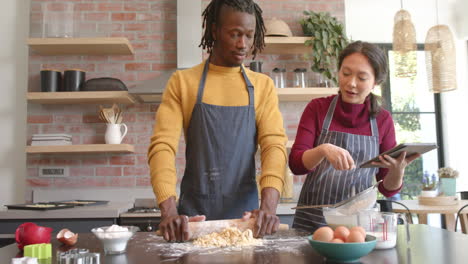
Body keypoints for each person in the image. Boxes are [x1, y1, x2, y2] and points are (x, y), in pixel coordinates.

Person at [148, 0, 287, 242]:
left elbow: (273, 146)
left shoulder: (262, 86)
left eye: (249, 35)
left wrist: (269, 207)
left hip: (248, 224)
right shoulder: (183, 83)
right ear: (214, 31)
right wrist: (169, 211)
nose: (243, 44)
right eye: (234, 34)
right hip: (192, 224)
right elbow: (162, 147)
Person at [289, 41, 420, 232]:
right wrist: (324, 149)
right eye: (346, 73)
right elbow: (296, 164)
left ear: (375, 81)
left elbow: (387, 188)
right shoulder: (317, 108)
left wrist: (398, 171)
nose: (351, 83)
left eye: (362, 77)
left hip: (360, 225)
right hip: (313, 223)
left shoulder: (383, 120)